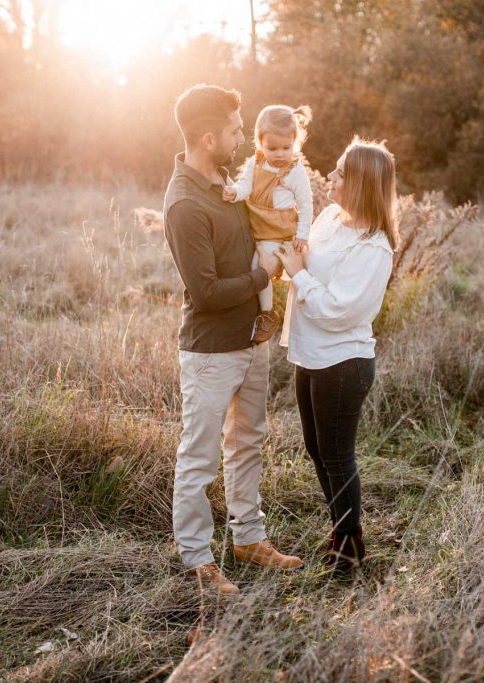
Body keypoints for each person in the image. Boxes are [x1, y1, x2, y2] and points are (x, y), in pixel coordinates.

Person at [163, 84, 303, 596]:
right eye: (235, 130)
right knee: (199, 456)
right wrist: (264, 275)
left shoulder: (225, 178)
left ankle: (248, 538)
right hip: (210, 351)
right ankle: (198, 561)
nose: (244, 137)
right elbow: (204, 293)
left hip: (252, 340)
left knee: (248, 442)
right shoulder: (183, 205)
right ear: (207, 137)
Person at [276, 138, 398, 576]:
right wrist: (302, 259)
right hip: (310, 354)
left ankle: (350, 548)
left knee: (337, 455)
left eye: (342, 172)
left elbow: (339, 310)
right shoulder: (330, 218)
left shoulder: (374, 247)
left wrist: (300, 273)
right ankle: (340, 529)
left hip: (343, 364)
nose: (331, 177)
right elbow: (309, 260)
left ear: (362, 183)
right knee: (316, 448)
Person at [222, 104, 314, 345]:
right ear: (260, 141)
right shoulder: (256, 162)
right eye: (272, 147)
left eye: (287, 147)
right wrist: (235, 193)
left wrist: (302, 234)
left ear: (296, 142)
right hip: (258, 223)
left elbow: (305, 204)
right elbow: (246, 185)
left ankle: (267, 313)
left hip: (279, 229)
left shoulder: (295, 170)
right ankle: (259, 311)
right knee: (248, 263)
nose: (280, 154)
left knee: (259, 267)